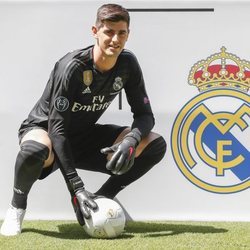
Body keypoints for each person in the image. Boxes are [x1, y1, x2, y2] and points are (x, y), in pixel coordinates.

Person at [0, 3, 166, 236]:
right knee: (33, 150)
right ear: (95, 31)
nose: (115, 39)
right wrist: (76, 188)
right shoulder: (73, 67)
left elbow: (144, 115)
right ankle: (16, 208)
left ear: (128, 35)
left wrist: (132, 140)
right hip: (47, 131)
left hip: (83, 135)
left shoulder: (127, 63)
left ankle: (104, 199)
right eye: (109, 31)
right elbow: (57, 129)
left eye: (122, 33)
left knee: (155, 144)